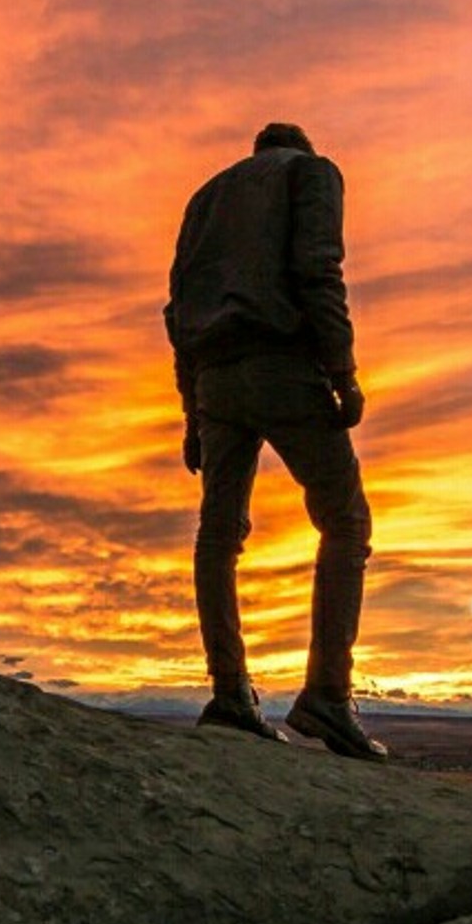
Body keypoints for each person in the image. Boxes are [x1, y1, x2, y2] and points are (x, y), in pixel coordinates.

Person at [165, 121, 387, 760]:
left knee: (218, 533)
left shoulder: (204, 199)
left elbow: (177, 310)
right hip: (281, 364)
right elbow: (320, 269)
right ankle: (327, 694)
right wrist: (342, 373)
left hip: (213, 381)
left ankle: (231, 692)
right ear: (299, 147)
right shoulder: (310, 172)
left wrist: (190, 413)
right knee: (345, 521)